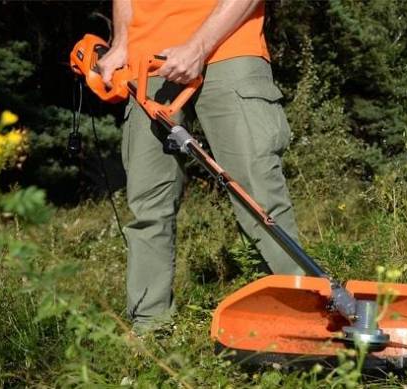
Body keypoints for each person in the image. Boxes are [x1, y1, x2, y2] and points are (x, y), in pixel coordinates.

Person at [97, 0, 304, 335]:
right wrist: (122, 42)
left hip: (229, 47)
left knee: (258, 193)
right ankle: (150, 333)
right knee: (148, 203)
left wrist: (199, 46)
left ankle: (303, 317)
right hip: (146, 61)